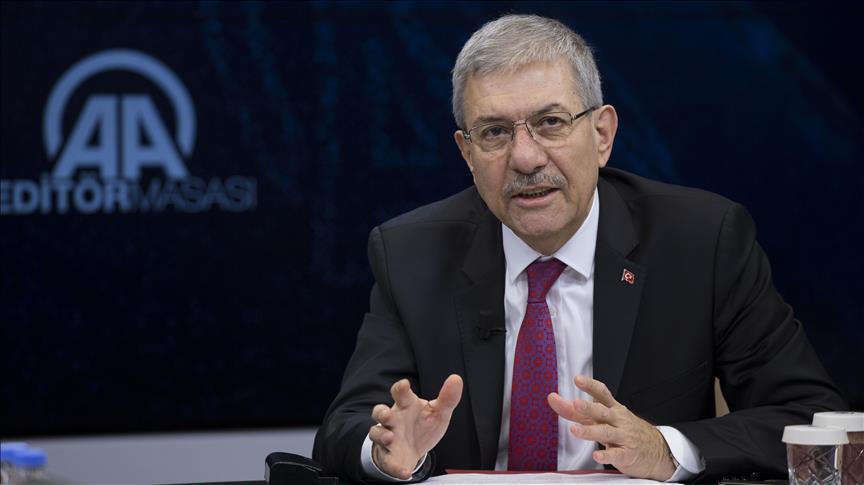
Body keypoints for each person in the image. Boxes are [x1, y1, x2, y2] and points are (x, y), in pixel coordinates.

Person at [313, 14, 847, 483]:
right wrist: (387, 452)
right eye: (494, 132)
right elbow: (345, 428)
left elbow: (807, 416)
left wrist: (665, 448)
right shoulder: (411, 253)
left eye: (550, 123)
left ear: (602, 134)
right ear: (467, 154)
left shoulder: (702, 240)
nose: (525, 158)